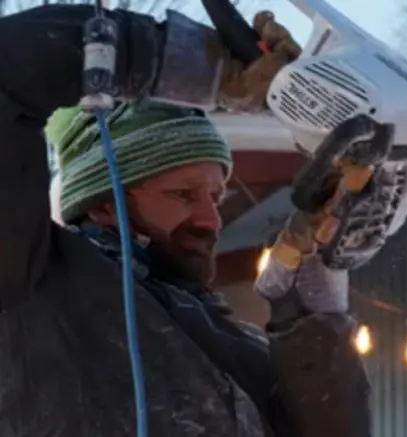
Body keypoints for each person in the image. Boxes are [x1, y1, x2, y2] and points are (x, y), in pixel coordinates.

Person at [0, 4, 383, 437]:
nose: (210, 220)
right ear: (105, 204)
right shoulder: (32, 285)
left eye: (216, 197)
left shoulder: (232, 344)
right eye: (182, 195)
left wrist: (310, 314)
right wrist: (193, 67)